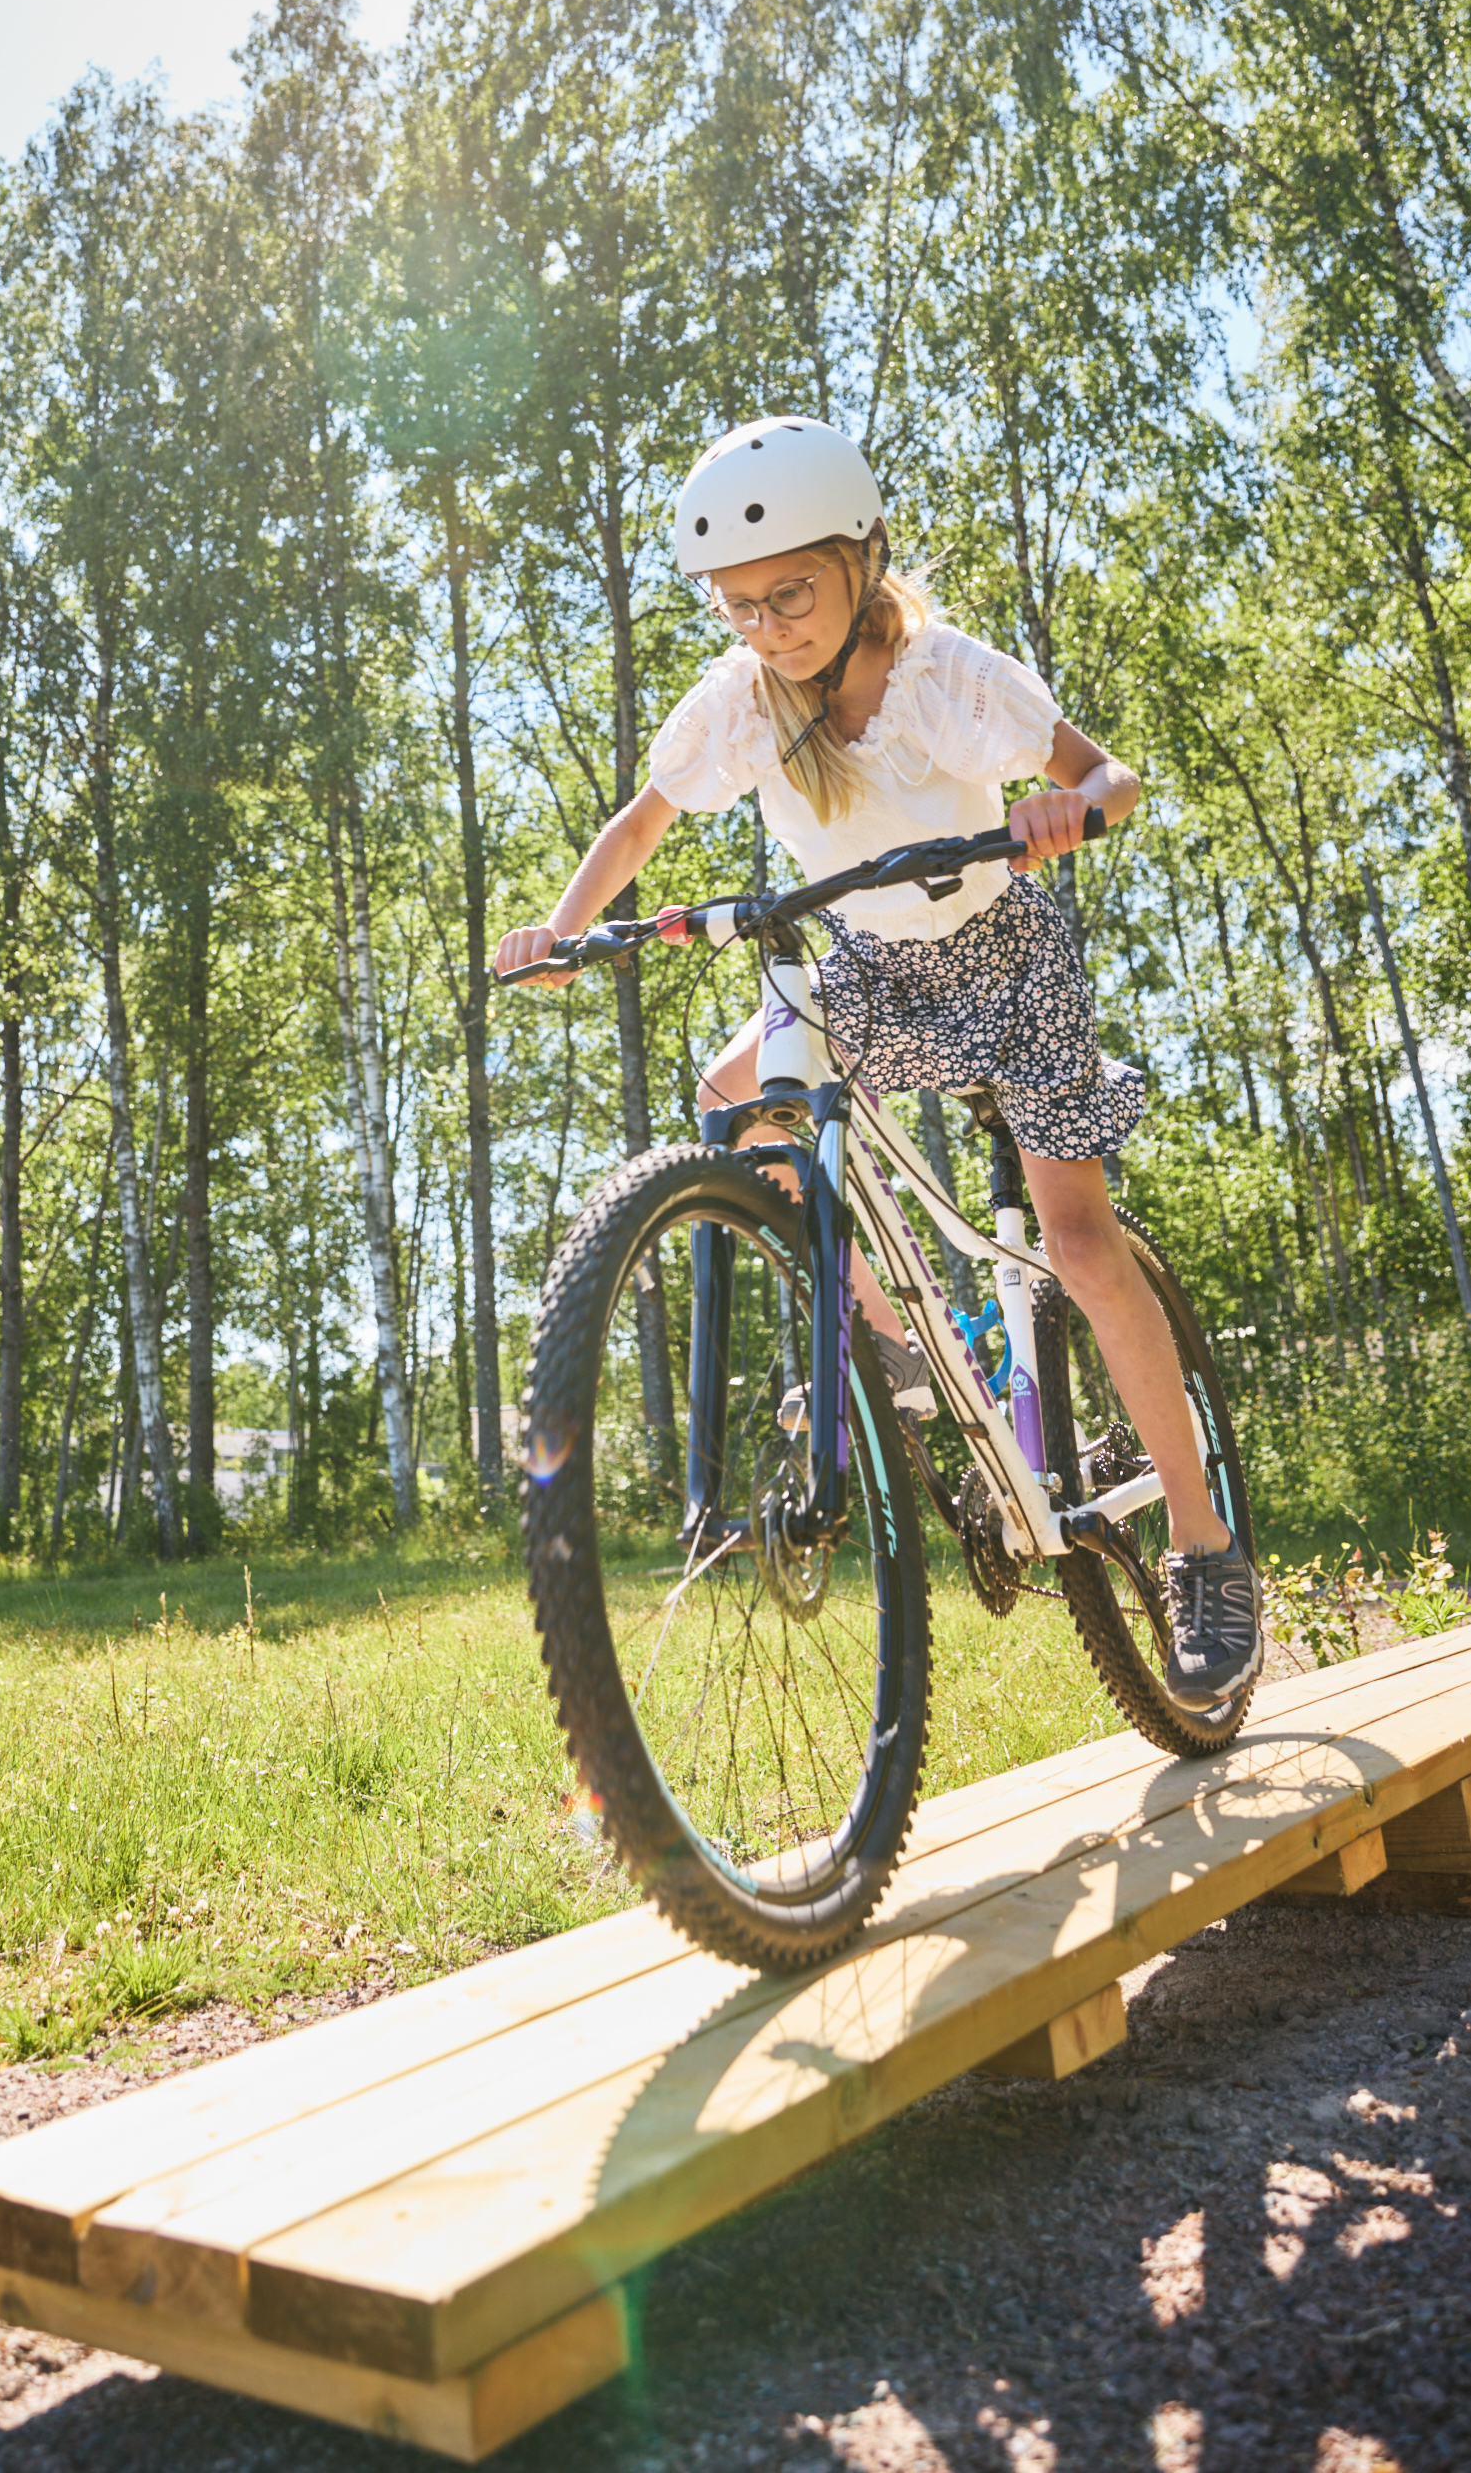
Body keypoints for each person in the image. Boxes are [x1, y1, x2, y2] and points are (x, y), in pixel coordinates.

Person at [493, 415, 1262, 1713]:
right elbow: (645, 818)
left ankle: (1202, 1547)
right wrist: (563, 932)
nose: (767, 624)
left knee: (1076, 1242)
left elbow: (1108, 776)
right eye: (737, 604)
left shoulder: (946, 678)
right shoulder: (745, 702)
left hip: (1000, 956)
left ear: (862, 555)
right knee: (731, 1097)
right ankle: (889, 1346)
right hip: (860, 961)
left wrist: (1067, 807)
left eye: (790, 590)